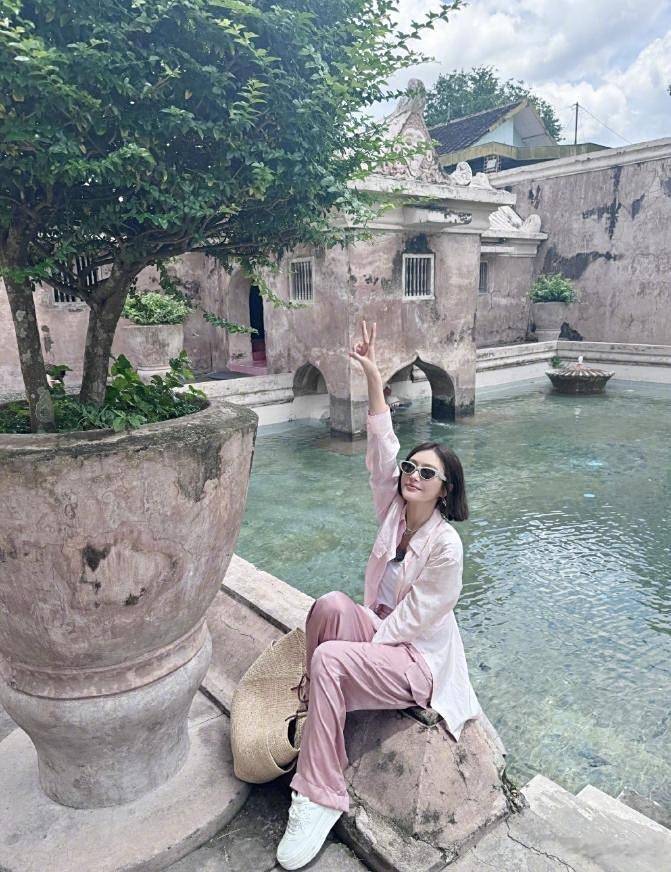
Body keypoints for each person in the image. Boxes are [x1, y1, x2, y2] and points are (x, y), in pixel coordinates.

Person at [276, 320, 482, 871]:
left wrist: (354, 654)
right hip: (383, 633)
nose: (412, 475)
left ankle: (319, 795)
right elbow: (382, 444)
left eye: (426, 473)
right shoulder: (394, 510)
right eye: (411, 468)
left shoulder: (447, 547)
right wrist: (371, 374)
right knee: (329, 604)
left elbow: (413, 621)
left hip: (417, 661)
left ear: (445, 490)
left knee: (331, 656)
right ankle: (318, 704)